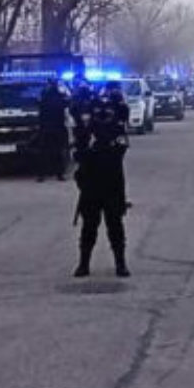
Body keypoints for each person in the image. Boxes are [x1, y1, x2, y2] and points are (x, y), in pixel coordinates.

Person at [72, 96, 131, 278]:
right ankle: (83, 263)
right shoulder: (86, 131)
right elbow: (78, 154)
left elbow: (120, 149)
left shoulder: (117, 130)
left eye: (107, 112)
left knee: (115, 226)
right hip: (91, 185)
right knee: (89, 226)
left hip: (112, 184)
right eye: (99, 112)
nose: (103, 115)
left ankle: (120, 263)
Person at [37, 79, 69, 182]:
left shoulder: (44, 97)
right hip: (56, 128)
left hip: (47, 128)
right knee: (57, 152)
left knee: (45, 152)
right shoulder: (58, 97)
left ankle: (44, 174)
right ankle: (58, 174)